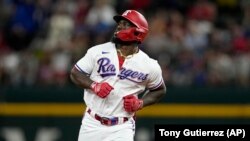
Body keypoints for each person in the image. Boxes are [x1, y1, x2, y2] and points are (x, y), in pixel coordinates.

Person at [70, 9, 166, 141]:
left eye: (126, 24)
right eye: (120, 23)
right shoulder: (98, 51)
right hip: (91, 123)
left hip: (122, 127)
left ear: (138, 31)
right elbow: (75, 73)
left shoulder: (149, 65)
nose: (120, 26)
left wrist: (140, 103)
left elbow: (160, 90)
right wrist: (94, 85)